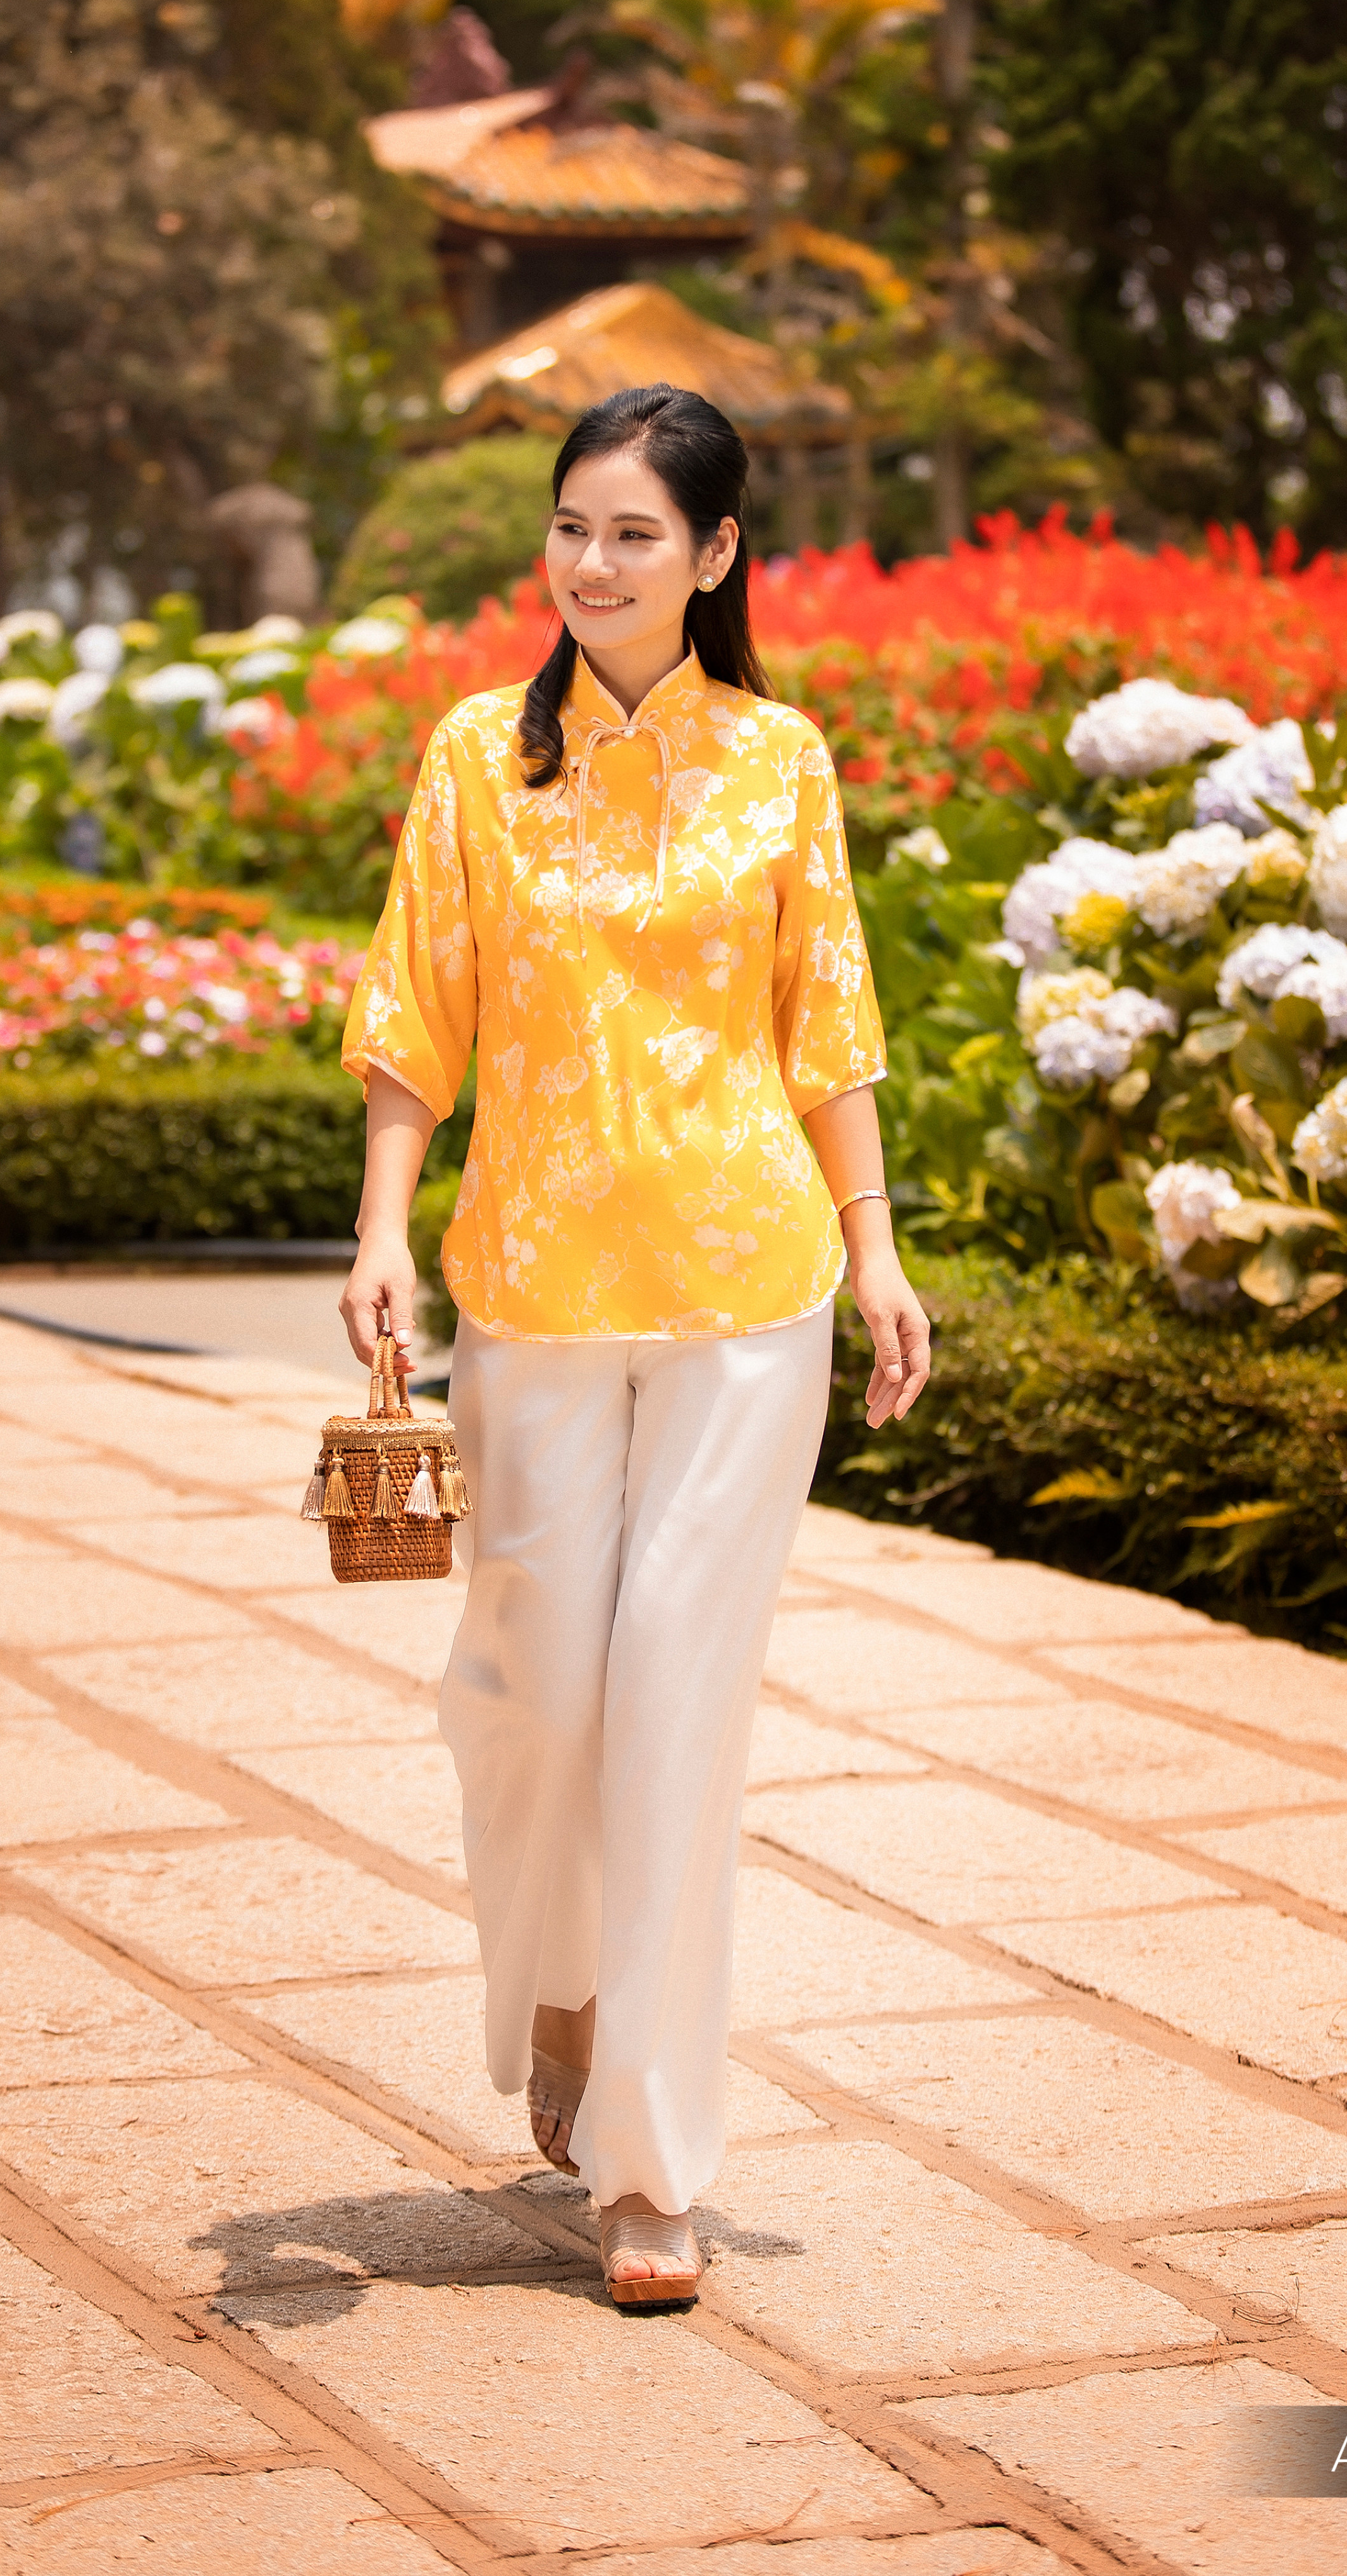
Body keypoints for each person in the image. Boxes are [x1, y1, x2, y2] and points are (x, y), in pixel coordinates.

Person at [338, 384, 930, 2309]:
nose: (590, 565)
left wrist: (874, 1249)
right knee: (528, 1699)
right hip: (525, 1288)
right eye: (569, 526)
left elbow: (826, 1021)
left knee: (675, 1699)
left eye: (633, 534)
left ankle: (649, 2166)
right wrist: (381, 1228)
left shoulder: (779, 762)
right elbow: (414, 1009)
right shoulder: (473, 760)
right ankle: (563, 1988)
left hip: (746, 1295)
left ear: (716, 552)